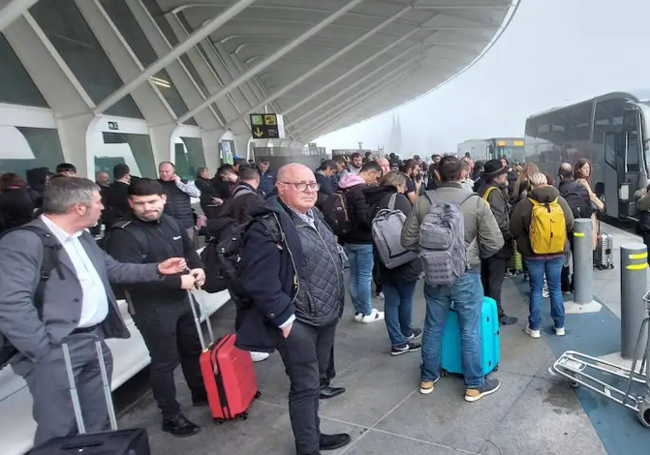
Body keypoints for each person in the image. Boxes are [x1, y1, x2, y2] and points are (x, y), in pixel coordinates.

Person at [0, 177, 188, 446]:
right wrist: (43, 350)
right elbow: (10, 304)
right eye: (98, 202)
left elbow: (113, 269)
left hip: (93, 340)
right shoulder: (23, 243)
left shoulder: (82, 237)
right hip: (57, 347)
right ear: (79, 207)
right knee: (60, 426)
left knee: (98, 418)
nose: (103, 207)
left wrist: (157, 269)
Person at [238, 164, 350, 455]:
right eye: (301, 185)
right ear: (281, 187)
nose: (310, 190)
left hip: (325, 313)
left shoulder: (314, 215)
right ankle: (307, 447)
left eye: (312, 184)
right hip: (297, 319)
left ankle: (313, 434)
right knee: (305, 385)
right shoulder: (267, 226)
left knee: (318, 380)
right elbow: (258, 281)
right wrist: (285, 319)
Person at [104, 178, 207, 437]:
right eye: (139, 204)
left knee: (192, 349)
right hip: (151, 307)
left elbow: (188, 251)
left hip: (182, 298)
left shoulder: (171, 221)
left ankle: (200, 391)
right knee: (164, 361)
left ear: (163, 198)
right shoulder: (123, 234)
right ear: (130, 203)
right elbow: (126, 278)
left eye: (151, 201)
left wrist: (198, 268)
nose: (147, 208)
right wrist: (176, 282)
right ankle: (170, 415)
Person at [401, 156, 504, 402]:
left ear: (436, 175)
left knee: (433, 326)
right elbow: (495, 242)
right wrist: (473, 255)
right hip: (467, 274)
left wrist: (431, 255)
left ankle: (427, 378)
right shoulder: (476, 203)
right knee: (469, 330)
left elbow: (407, 240)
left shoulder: (423, 202)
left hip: (434, 276)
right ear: (463, 174)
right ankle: (473, 386)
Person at [511, 172, 574, 339]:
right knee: (555, 289)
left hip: (533, 255)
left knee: (536, 290)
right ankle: (560, 325)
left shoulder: (526, 203)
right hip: (557, 252)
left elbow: (515, 228)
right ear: (547, 183)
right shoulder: (559, 201)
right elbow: (570, 223)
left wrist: (526, 243)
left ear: (531, 185)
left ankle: (535, 328)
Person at [365, 171, 423, 355]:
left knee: (391, 301)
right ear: (398, 184)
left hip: (384, 258)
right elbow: (411, 226)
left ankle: (398, 340)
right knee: (405, 298)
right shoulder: (398, 199)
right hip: (403, 257)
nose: (406, 188)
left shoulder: (373, 200)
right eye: (405, 185)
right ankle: (403, 335)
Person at [337, 161, 384, 323]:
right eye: (375, 177)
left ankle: (359, 310)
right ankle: (367, 311)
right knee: (364, 276)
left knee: (354, 275)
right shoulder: (360, 190)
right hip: (363, 239)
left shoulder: (344, 185)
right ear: (370, 173)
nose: (375, 181)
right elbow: (364, 218)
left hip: (347, 238)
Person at [477, 160, 518, 326]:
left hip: (483, 242)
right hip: (496, 244)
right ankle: (497, 314)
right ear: (496, 176)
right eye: (504, 173)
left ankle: (487, 311)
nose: (506, 175)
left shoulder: (482, 189)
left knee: (486, 279)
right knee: (495, 281)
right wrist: (509, 236)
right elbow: (500, 221)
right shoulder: (494, 193)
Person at [557, 163, 592, 293]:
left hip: (565, 229)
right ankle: (577, 284)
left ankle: (564, 285)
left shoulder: (558, 191)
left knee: (564, 256)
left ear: (561, 175)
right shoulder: (581, 188)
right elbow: (588, 209)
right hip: (581, 228)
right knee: (580, 256)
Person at [158, 161, 201, 246]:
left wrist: (179, 184)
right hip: (166, 222)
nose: (164, 174)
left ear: (173, 172)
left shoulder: (184, 182)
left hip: (185, 221)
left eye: (167, 171)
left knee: (188, 246)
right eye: (161, 171)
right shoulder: (156, 184)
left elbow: (197, 193)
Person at [574, 158, 604, 249]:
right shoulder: (583, 182)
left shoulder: (576, 181)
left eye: (588, 168)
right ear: (579, 169)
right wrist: (601, 205)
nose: (587, 170)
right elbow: (591, 196)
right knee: (591, 239)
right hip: (588, 212)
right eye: (584, 168)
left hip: (581, 212)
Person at [102, 163, 132, 229]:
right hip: (126, 225)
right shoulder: (130, 190)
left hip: (109, 225)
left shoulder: (106, 190)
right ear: (126, 175)